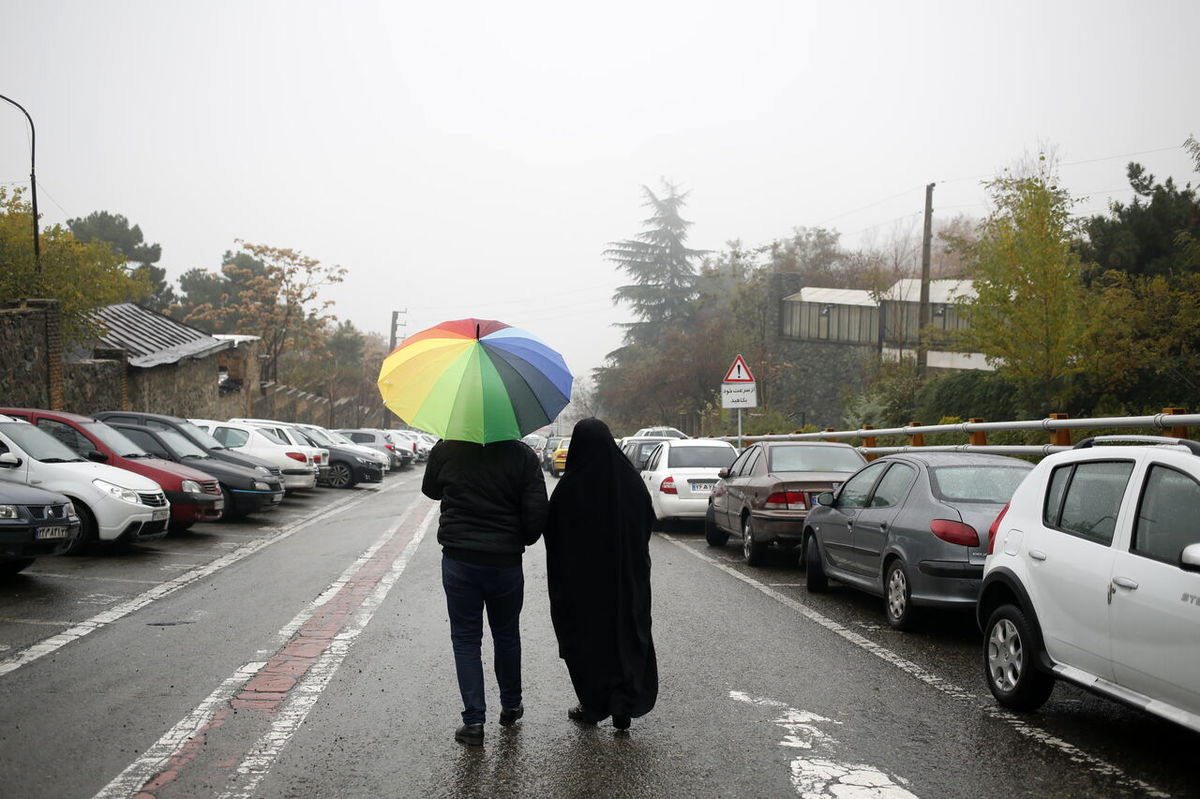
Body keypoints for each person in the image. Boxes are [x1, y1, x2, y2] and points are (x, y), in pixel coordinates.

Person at [421, 435, 549, 746]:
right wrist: (517, 536)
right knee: (506, 634)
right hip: (505, 562)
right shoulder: (522, 456)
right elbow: (535, 517)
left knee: (465, 639)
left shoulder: (447, 448)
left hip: (459, 558)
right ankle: (511, 705)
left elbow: (430, 490)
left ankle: (474, 722)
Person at [544, 418, 658, 731]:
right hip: (627, 582)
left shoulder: (570, 489)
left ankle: (593, 703)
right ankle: (624, 702)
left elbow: (552, 533)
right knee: (626, 636)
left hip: (583, 588)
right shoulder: (630, 482)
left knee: (587, 641)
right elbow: (647, 521)